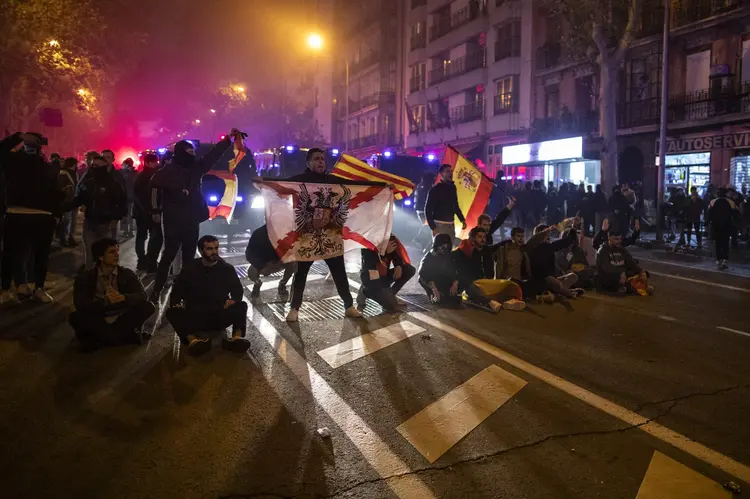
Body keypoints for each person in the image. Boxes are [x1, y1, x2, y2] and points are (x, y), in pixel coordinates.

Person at [281, 147, 384, 322]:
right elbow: (281, 185)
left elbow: (355, 187)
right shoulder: (300, 181)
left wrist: (380, 187)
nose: (320, 161)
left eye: (322, 159)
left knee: (339, 272)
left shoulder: (333, 181)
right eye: (316, 159)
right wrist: (264, 182)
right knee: (301, 273)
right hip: (308, 235)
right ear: (308, 163)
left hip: (331, 235)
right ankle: (294, 308)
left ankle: (349, 306)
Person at [149, 132, 236, 301]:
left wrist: (227, 140)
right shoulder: (168, 171)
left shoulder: (196, 167)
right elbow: (154, 182)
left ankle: (184, 292)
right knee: (169, 255)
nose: (192, 155)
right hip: (173, 220)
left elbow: (213, 155)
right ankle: (156, 291)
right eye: (188, 152)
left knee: (189, 259)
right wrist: (176, 191)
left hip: (191, 219)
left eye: (193, 152)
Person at [0, 132, 62, 305]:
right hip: (16, 213)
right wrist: (19, 136)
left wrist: (56, 215)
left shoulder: (47, 167)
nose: (31, 146)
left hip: (42, 216)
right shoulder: (13, 161)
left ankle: (38, 288)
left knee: (40, 256)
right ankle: (5, 289)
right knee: (10, 255)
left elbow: (54, 193)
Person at [165, 235, 249, 356]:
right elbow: (177, 292)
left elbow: (237, 291)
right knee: (172, 312)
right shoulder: (190, 269)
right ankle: (194, 341)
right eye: (210, 249)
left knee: (241, 306)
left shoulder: (226, 269)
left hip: (218, 314)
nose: (214, 252)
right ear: (201, 250)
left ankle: (236, 339)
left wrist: (233, 300)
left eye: (216, 248)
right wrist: (176, 304)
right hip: (196, 316)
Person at [70, 238, 155, 351]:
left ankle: (104, 338)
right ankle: (119, 336)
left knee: (148, 306)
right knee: (75, 317)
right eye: (111, 252)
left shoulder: (126, 274)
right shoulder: (85, 278)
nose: (117, 255)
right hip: (99, 315)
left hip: (121, 315)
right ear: (100, 257)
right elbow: (80, 304)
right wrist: (104, 301)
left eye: (117, 251)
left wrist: (124, 298)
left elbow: (142, 295)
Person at [452, 227, 525, 312]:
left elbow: (497, 247)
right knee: (473, 289)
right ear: (472, 238)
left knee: (507, 283)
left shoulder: (487, 250)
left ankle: (511, 301)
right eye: (480, 237)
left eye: (484, 237)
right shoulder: (464, 251)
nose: (483, 240)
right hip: (473, 282)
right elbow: (453, 262)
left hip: (487, 282)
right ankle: (490, 302)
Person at [74, 154, 127, 270]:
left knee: (107, 254)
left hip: (107, 224)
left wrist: (115, 219)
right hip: (90, 222)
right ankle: (90, 278)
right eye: (93, 165)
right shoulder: (88, 183)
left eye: (98, 166)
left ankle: (107, 279)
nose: (94, 168)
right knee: (89, 253)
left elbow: (122, 203)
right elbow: (78, 198)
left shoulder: (114, 183)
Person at [357, 234, 415, 312]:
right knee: (392, 307)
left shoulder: (388, 238)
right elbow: (370, 263)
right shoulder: (369, 241)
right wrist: (384, 252)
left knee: (409, 270)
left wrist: (398, 266)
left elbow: (396, 256)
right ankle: (365, 291)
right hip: (372, 280)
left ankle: (390, 294)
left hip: (384, 277)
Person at [528, 223, 584, 301]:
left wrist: (574, 228)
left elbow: (567, 241)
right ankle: (570, 293)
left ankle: (555, 293)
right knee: (552, 281)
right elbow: (566, 241)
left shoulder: (548, 247)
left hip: (552, 281)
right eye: (546, 234)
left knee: (573, 276)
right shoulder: (532, 247)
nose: (548, 236)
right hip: (539, 282)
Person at [245, 224, 295, 298]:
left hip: (278, 262)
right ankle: (257, 283)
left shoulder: (284, 232)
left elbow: (291, 249)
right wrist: (262, 265)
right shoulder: (258, 233)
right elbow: (249, 254)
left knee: (293, 264)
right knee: (251, 272)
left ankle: (282, 284)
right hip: (263, 263)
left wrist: (279, 261)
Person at [132, 153, 163, 272]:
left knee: (143, 236)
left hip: (142, 212)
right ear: (148, 163)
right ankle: (149, 261)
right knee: (153, 236)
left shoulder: (141, 176)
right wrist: (151, 209)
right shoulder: (150, 176)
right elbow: (140, 195)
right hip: (147, 212)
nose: (157, 164)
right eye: (154, 162)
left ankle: (143, 260)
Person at [425, 164, 466, 243]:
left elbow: (455, 205)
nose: (450, 173)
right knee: (440, 249)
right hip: (439, 225)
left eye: (451, 171)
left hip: (451, 224)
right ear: (441, 174)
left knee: (450, 248)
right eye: (447, 171)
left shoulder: (453, 188)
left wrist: (462, 219)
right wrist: (433, 227)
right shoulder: (435, 190)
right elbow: (428, 209)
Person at [418, 233, 461, 307]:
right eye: (441, 246)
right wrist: (434, 289)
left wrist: (455, 283)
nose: (443, 249)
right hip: (432, 282)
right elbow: (423, 274)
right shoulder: (429, 257)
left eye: (445, 246)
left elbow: (456, 271)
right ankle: (432, 295)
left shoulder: (449, 256)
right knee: (439, 300)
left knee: (454, 301)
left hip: (444, 281)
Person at [708, 187, 738, 270]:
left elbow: (709, 214)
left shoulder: (713, 202)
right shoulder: (731, 202)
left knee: (717, 242)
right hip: (727, 225)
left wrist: (708, 223)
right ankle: (725, 259)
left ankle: (718, 259)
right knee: (725, 242)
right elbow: (735, 214)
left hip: (716, 225)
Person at [56, 157, 79, 247]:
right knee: (67, 220)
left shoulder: (74, 173)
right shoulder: (63, 174)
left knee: (73, 221)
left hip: (73, 200)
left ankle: (70, 237)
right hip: (67, 201)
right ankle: (63, 238)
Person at [120, 157, 137, 238]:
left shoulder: (128, 173)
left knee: (128, 215)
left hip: (128, 197)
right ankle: (127, 231)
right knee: (127, 215)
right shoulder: (133, 173)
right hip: (127, 196)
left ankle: (128, 231)